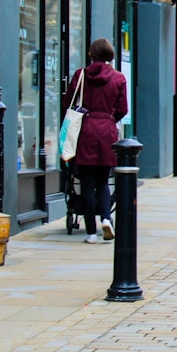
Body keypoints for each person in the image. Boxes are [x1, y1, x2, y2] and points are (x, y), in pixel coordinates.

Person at [61, 38, 128, 244]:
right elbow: (123, 109)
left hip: (85, 130)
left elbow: (68, 103)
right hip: (107, 131)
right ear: (111, 55)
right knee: (103, 182)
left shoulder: (81, 75)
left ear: (91, 54)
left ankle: (91, 232)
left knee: (87, 183)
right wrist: (109, 119)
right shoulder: (118, 78)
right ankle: (106, 219)